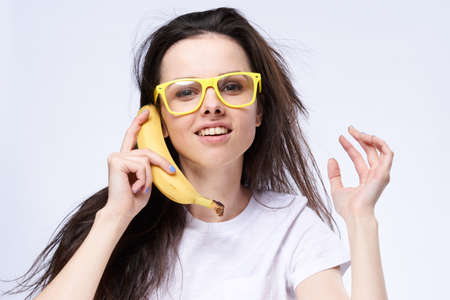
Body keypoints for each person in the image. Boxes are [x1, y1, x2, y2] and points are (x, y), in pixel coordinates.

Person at [4, 7, 393, 300]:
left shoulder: (291, 227)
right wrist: (114, 218)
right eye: (186, 92)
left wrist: (361, 221)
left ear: (259, 111)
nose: (211, 105)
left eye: (232, 86)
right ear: (158, 120)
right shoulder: (119, 224)